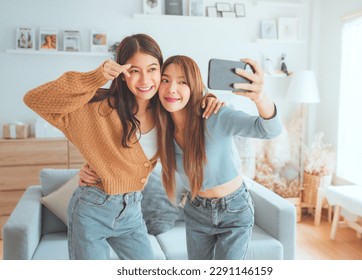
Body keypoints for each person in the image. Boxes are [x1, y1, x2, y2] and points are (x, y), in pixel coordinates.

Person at [24, 34, 221, 260]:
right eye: (134, 70)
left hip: (132, 212)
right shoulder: (100, 109)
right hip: (91, 210)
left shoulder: (166, 110)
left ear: (161, 71)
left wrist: (210, 99)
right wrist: (94, 77)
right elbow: (35, 99)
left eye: (152, 69)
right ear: (121, 73)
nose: (145, 79)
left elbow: (192, 98)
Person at [155, 55, 282, 260]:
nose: (171, 89)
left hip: (234, 209)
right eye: (165, 80)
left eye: (182, 82)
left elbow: (270, 130)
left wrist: (260, 97)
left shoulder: (214, 115)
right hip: (196, 210)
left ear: (194, 86)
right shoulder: (160, 130)